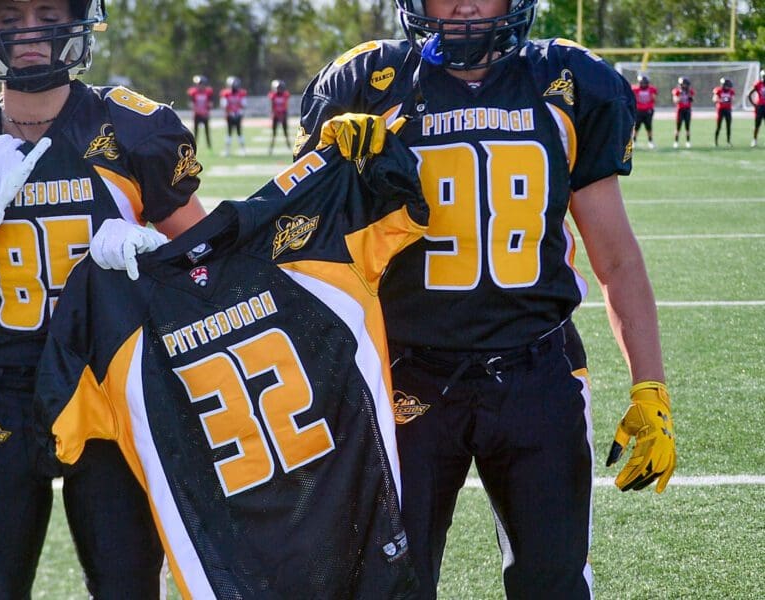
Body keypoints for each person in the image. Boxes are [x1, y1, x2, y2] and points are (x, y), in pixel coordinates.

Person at [295, 0, 677, 597]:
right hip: (404, 376)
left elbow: (618, 257)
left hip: (537, 372)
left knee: (553, 583)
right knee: (388, 584)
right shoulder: (369, 84)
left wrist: (649, 385)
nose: (467, 4)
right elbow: (301, 247)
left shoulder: (568, 84)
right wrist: (334, 171)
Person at [0, 0, 207, 597]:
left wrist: (152, 257)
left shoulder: (131, 128)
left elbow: (210, 273)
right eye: (8, 18)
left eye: (46, 11)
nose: (29, 31)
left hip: (110, 386)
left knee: (127, 584)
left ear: (80, 18)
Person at [34, 133, 427, 599]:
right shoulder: (308, 236)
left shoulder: (112, 306)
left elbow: (56, 435)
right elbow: (408, 201)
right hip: (360, 540)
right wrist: (369, 153)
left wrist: (93, 281)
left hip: (234, 576)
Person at [220, 75, 247, 156]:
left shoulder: (241, 93)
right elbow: (224, 105)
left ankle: (242, 150)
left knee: (238, 133)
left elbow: (244, 104)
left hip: (237, 114)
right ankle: (228, 150)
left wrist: (237, 110)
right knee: (229, 134)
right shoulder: (226, 94)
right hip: (230, 115)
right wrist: (230, 112)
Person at [187, 74, 213, 150]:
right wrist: (198, 110)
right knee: (196, 133)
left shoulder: (208, 92)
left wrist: (206, 112)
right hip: (197, 114)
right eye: (199, 84)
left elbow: (210, 104)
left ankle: (209, 147)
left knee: (207, 132)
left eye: (201, 84)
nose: (200, 86)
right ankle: (194, 148)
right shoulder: (193, 92)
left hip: (205, 115)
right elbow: (191, 104)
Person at [268, 78, 292, 155]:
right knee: (274, 133)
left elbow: (286, 105)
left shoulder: (285, 95)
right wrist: (274, 114)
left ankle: (288, 146)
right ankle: (271, 147)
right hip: (276, 115)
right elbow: (272, 106)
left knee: (285, 132)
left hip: (283, 114)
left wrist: (284, 115)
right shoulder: (273, 95)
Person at [632, 73, 657, 149]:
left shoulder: (652, 89)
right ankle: (634, 141)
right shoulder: (635, 89)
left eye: (644, 82)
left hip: (648, 111)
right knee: (636, 127)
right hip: (638, 110)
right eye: (641, 82)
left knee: (649, 127)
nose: (643, 84)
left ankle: (650, 141)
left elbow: (653, 99)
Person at [671, 76, 695, 148]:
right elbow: (675, 100)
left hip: (687, 110)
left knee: (687, 127)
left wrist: (689, 96)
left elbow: (692, 100)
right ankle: (676, 142)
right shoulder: (677, 91)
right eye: (683, 84)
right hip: (680, 110)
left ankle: (688, 142)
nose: (685, 86)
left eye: (686, 84)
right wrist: (681, 95)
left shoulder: (690, 91)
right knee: (678, 128)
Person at [713, 77, 736, 146]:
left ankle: (728, 141)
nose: (728, 87)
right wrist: (721, 100)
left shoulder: (731, 91)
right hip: (720, 110)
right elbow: (714, 99)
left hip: (728, 110)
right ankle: (716, 142)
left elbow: (733, 99)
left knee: (728, 126)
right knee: (718, 126)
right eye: (727, 85)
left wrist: (729, 100)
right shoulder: (718, 90)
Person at [749, 69, 765, 147]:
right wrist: (754, 104)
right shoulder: (758, 84)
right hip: (760, 107)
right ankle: (754, 140)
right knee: (757, 125)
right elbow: (749, 94)